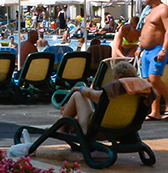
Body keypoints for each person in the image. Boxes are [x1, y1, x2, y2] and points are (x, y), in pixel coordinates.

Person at [17, 57, 155, 161]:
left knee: (78, 95)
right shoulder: (139, 92)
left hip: (97, 130)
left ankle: (62, 125)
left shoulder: (114, 90)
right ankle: (65, 121)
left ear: (117, 77)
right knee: (81, 97)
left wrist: (80, 88)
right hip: (123, 130)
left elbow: (92, 95)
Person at [138, 0, 168, 119]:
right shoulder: (149, 11)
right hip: (146, 51)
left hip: (157, 49)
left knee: (154, 79)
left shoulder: (164, 10)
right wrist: (139, 47)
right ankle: (155, 112)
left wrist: (164, 49)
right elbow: (145, 30)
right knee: (149, 81)